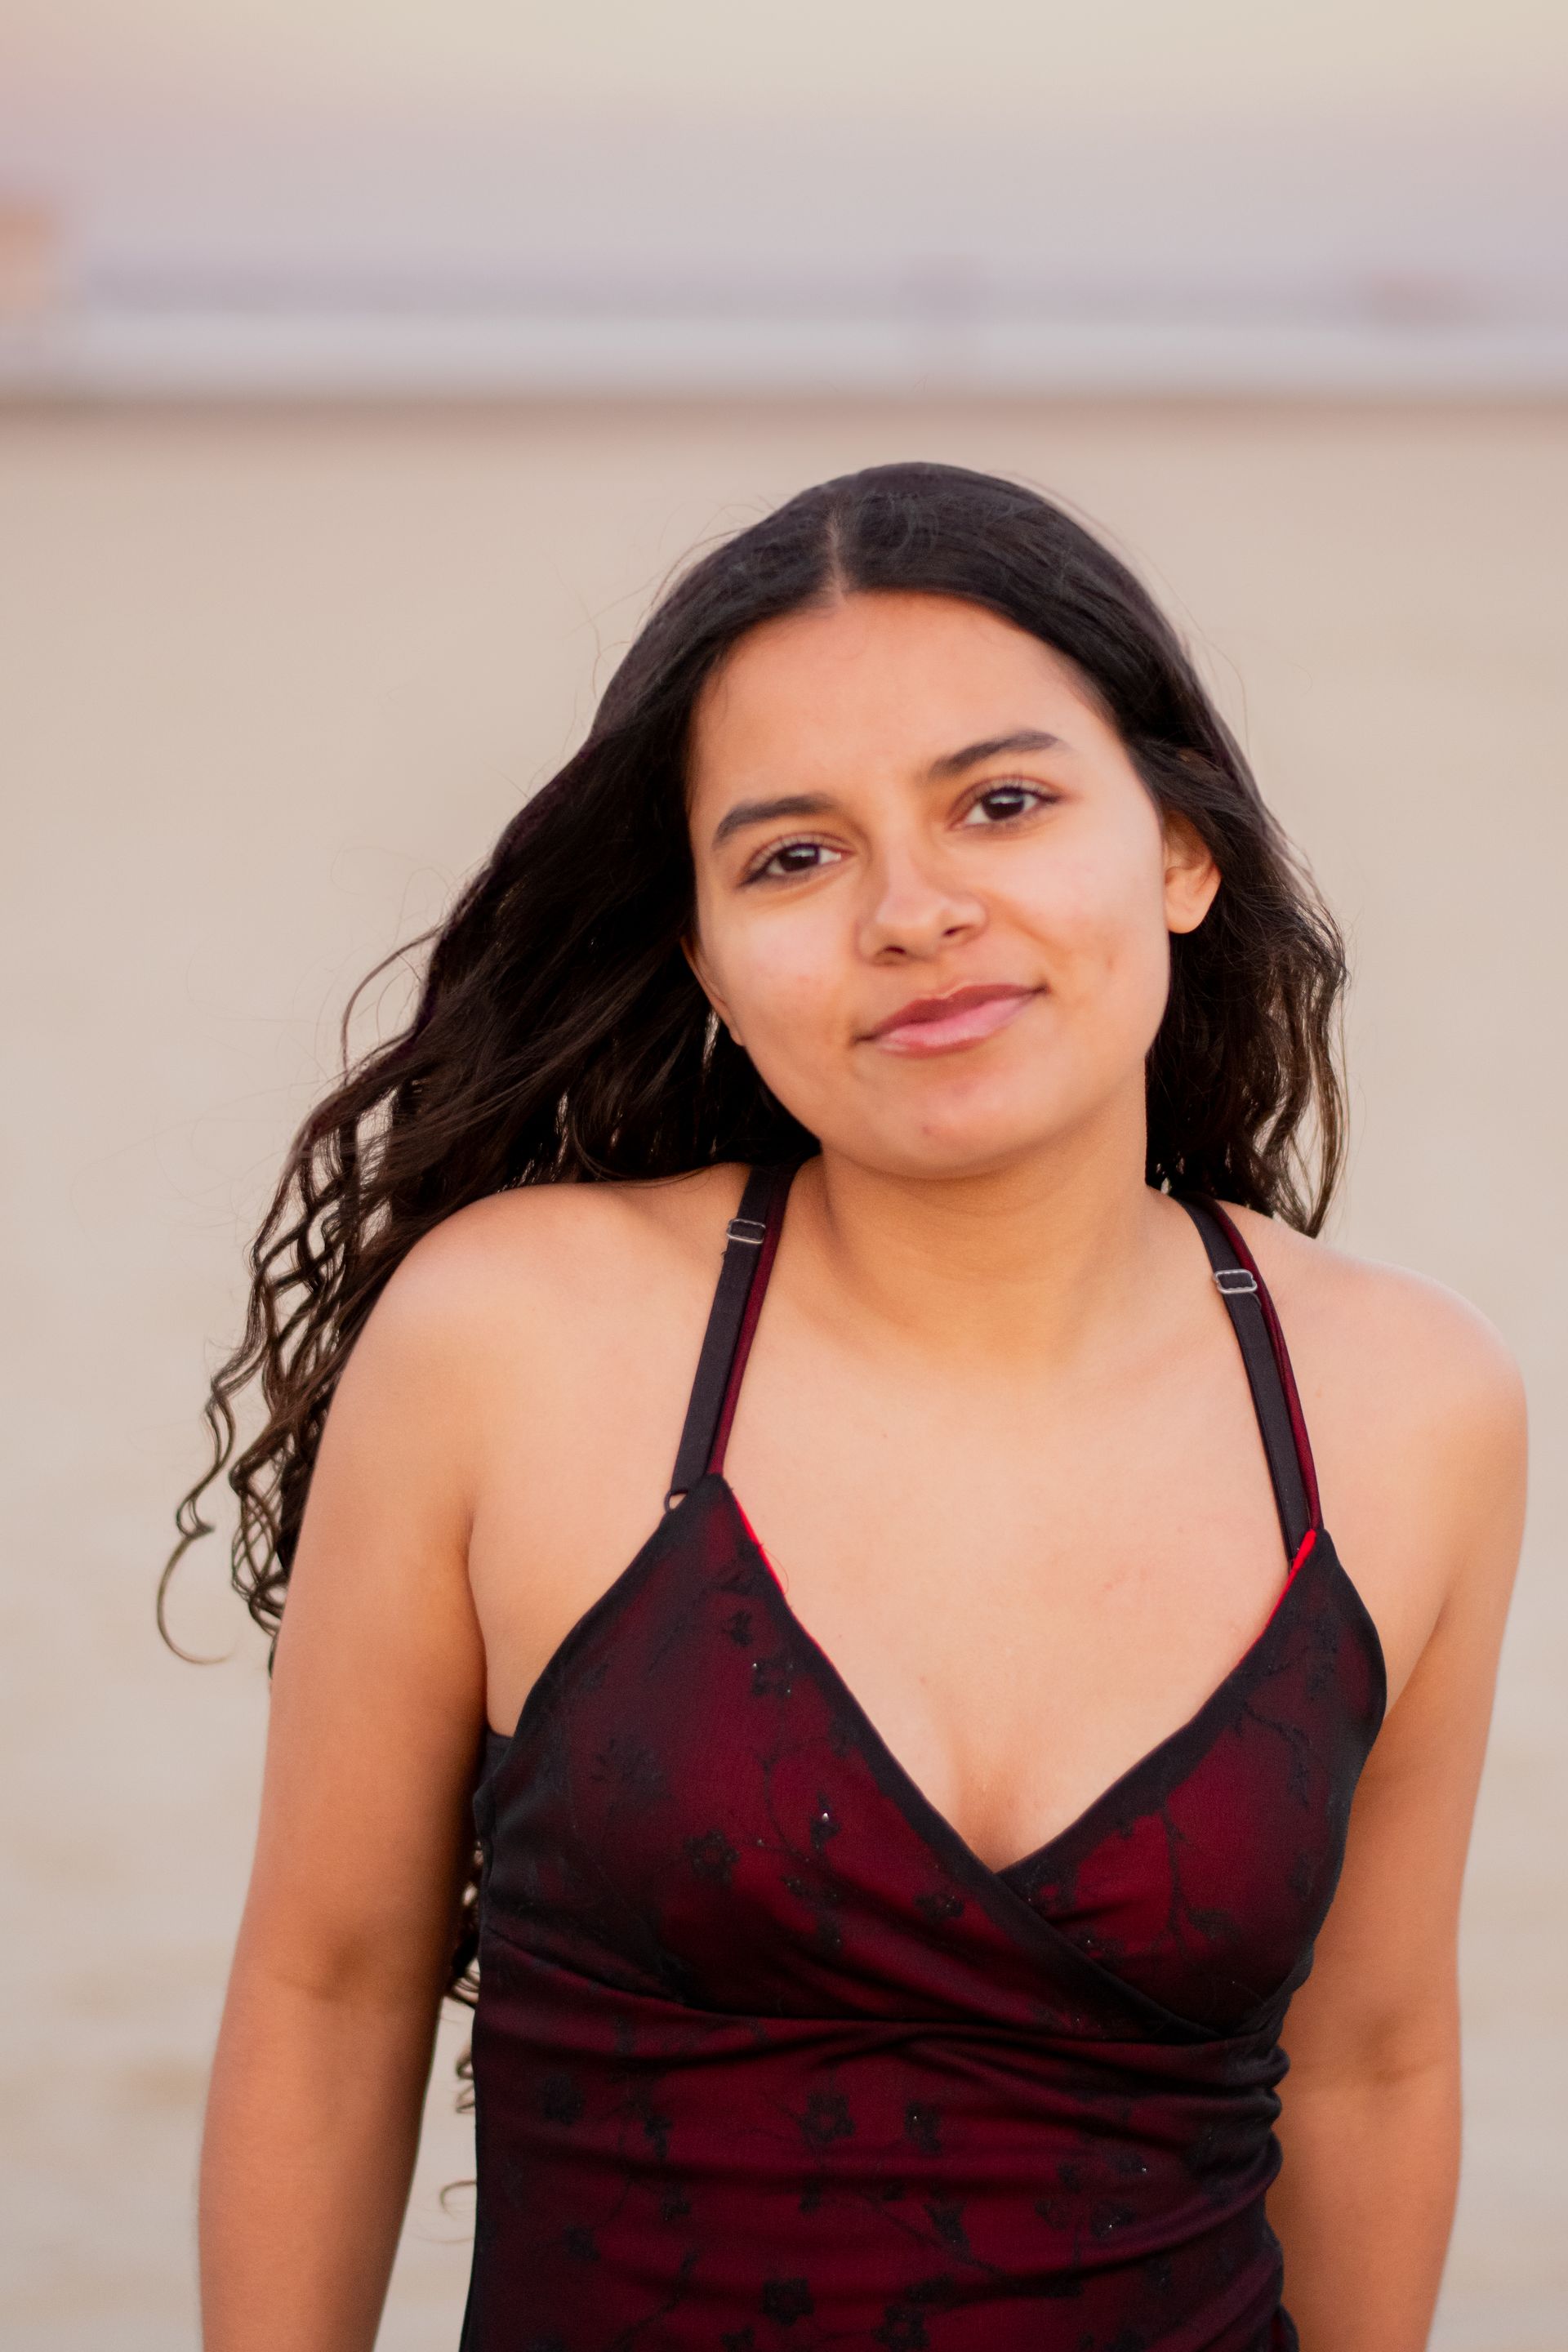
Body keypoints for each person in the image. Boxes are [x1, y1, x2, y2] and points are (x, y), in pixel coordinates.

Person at [177, 463, 1525, 2351]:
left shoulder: (1406, 1400)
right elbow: (328, 1993)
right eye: (793, 855)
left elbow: (1376, 2064)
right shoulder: (509, 1338)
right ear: (706, 959)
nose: (914, 910)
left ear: (1182, 851)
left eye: (1003, 802)